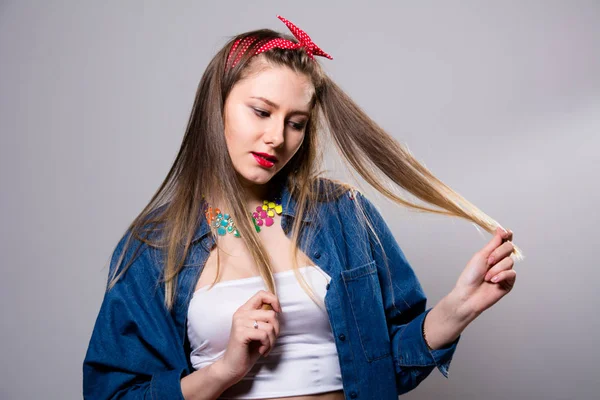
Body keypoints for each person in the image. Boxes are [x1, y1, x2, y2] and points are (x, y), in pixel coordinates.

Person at [83, 15, 522, 400]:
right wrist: (224, 370)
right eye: (260, 112)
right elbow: (116, 394)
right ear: (215, 106)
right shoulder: (156, 246)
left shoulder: (343, 214)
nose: (278, 137)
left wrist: (460, 307)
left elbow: (390, 365)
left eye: (296, 123)